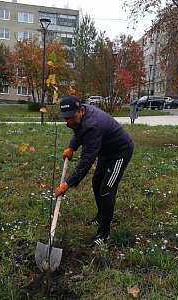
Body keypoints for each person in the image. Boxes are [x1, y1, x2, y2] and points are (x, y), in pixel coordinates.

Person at [55, 96, 134, 247]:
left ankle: (103, 235)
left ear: (82, 110)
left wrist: (68, 183)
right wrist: (72, 147)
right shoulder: (80, 116)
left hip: (119, 153)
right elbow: (79, 131)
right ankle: (100, 216)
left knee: (106, 190)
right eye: (66, 118)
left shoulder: (93, 124)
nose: (69, 122)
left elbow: (86, 161)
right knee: (97, 182)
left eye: (72, 117)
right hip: (105, 151)